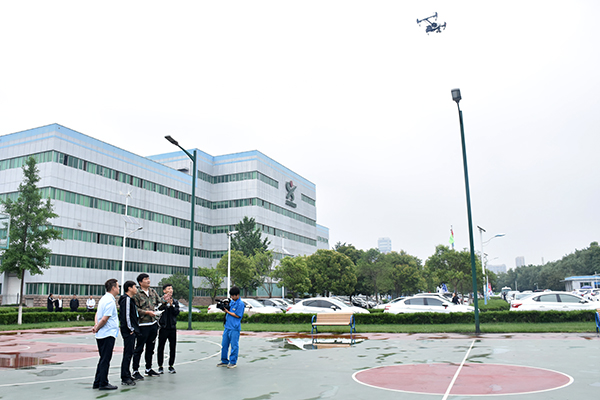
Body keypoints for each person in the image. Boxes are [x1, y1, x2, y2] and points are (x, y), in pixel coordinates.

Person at [132, 273, 163, 379]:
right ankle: (135, 370)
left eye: (148, 279)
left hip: (153, 324)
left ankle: (148, 369)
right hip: (143, 324)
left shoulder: (152, 292)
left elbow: (160, 302)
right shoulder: (136, 293)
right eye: (146, 279)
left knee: (151, 347)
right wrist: (146, 312)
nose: (148, 281)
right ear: (140, 282)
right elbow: (135, 309)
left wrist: (165, 299)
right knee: (139, 348)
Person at [92, 279, 120, 390]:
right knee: (105, 359)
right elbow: (104, 319)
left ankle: (97, 381)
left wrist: (95, 326)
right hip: (107, 333)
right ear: (113, 288)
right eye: (118, 286)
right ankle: (103, 383)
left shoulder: (103, 299)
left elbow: (97, 314)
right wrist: (97, 328)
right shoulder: (109, 301)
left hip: (102, 334)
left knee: (103, 358)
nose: (118, 289)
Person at [216, 286, 245, 369]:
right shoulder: (232, 302)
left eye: (233, 296)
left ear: (237, 295)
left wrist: (227, 311)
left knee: (234, 345)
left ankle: (233, 362)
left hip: (234, 328)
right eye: (231, 296)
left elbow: (237, 315)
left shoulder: (240, 304)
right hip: (227, 327)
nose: (232, 297)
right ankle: (224, 360)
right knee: (224, 345)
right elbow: (228, 309)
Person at [119, 280, 141, 386]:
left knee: (130, 353)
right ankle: (125, 377)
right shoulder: (126, 300)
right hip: (129, 331)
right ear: (129, 288)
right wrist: (131, 329)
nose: (136, 289)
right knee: (127, 354)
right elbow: (126, 316)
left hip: (131, 330)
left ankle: (127, 374)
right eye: (135, 287)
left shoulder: (130, 300)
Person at [157, 283, 180, 374]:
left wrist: (171, 306)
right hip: (163, 327)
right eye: (168, 288)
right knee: (161, 347)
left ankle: (171, 365)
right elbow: (158, 310)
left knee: (172, 347)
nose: (171, 290)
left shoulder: (175, 301)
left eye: (171, 288)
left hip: (172, 328)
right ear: (164, 291)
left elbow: (176, 312)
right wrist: (165, 303)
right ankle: (160, 366)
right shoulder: (160, 301)